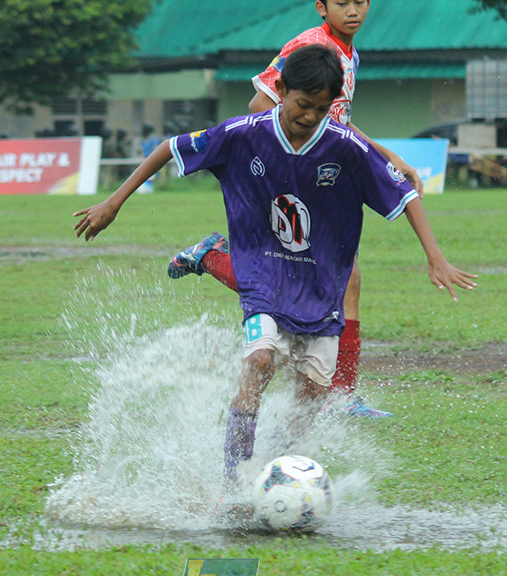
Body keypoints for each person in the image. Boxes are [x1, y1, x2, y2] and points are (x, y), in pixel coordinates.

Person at [73, 45, 476, 487]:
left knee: (313, 392)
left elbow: (405, 195)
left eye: (323, 109)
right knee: (261, 360)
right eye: (304, 105)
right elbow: (171, 147)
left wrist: (435, 258)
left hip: (321, 287)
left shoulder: (346, 147)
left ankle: (274, 471)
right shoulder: (245, 133)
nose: (310, 116)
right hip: (263, 276)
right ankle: (233, 483)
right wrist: (114, 202)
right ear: (280, 90)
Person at [165, 0, 423, 419]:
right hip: (284, 177)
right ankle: (337, 391)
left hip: (316, 174)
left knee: (342, 275)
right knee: (305, 273)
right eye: (342, 2)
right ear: (322, 6)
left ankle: (338, 390)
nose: (353, 10)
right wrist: (290, 160)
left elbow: (334, 122)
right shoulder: (308, 46)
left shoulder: (347, 53)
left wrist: (386, 154)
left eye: (360, 1)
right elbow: (259, 106)